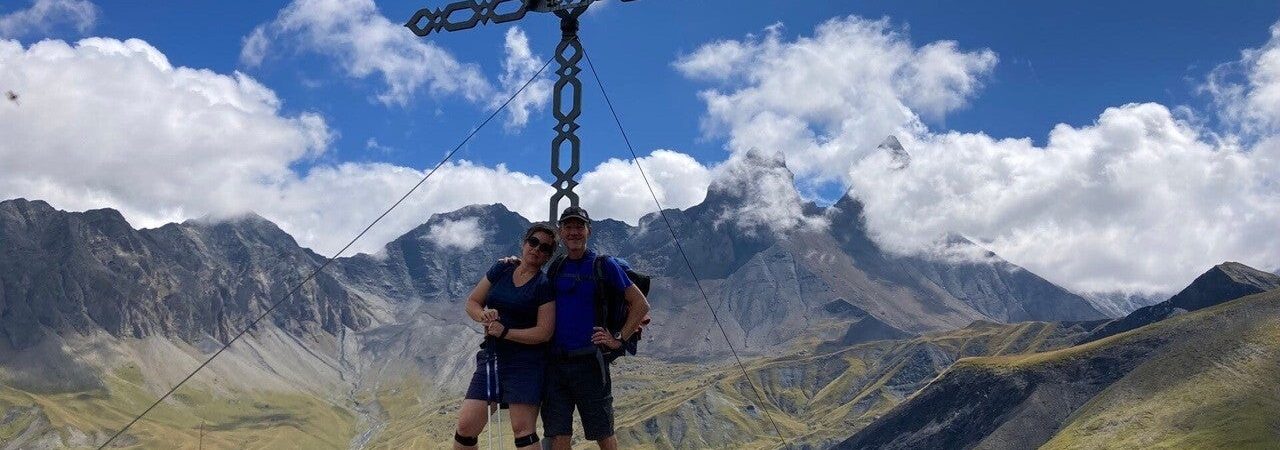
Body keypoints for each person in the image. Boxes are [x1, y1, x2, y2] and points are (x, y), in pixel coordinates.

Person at [543, 206, 650, 450]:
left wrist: (618, 339)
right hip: (556, 364)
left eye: (579, 227)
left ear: (588, 231)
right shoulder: (556, 267)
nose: (574, 232)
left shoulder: (604, 265)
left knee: (603, 433)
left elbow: (640, 304)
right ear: (560, 232)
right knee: (558, 435)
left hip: (590, 362)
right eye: (568, 227)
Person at [454, 224, 558, 450]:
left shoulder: (544, 286)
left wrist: (506, 332)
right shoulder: (501, 269)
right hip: (493, 357)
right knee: (465, 428)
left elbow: (544, 332)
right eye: (533, 242)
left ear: (548, 256)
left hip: (526, 363)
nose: (536, 249)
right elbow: (472, 302)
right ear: (524, 243)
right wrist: (483, 316)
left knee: (523, 431)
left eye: (544, 248)